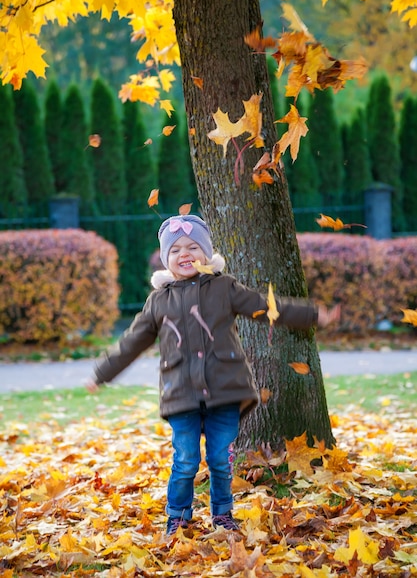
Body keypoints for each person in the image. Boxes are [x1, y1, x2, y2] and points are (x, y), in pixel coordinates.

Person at [86, 214, 340, 536]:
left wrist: (313, 314)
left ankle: (222, 515)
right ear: (166, 259)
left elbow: (266, 307)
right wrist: (102, 372)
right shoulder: (159, 301)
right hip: (181, 395)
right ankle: (177, 518)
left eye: (193, 247)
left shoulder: (224, 288)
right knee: (186, 461)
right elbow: (132, 342)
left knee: (221, 460)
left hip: (225, 393)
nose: (185, 254)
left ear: (206, 254)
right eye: (175, 250)